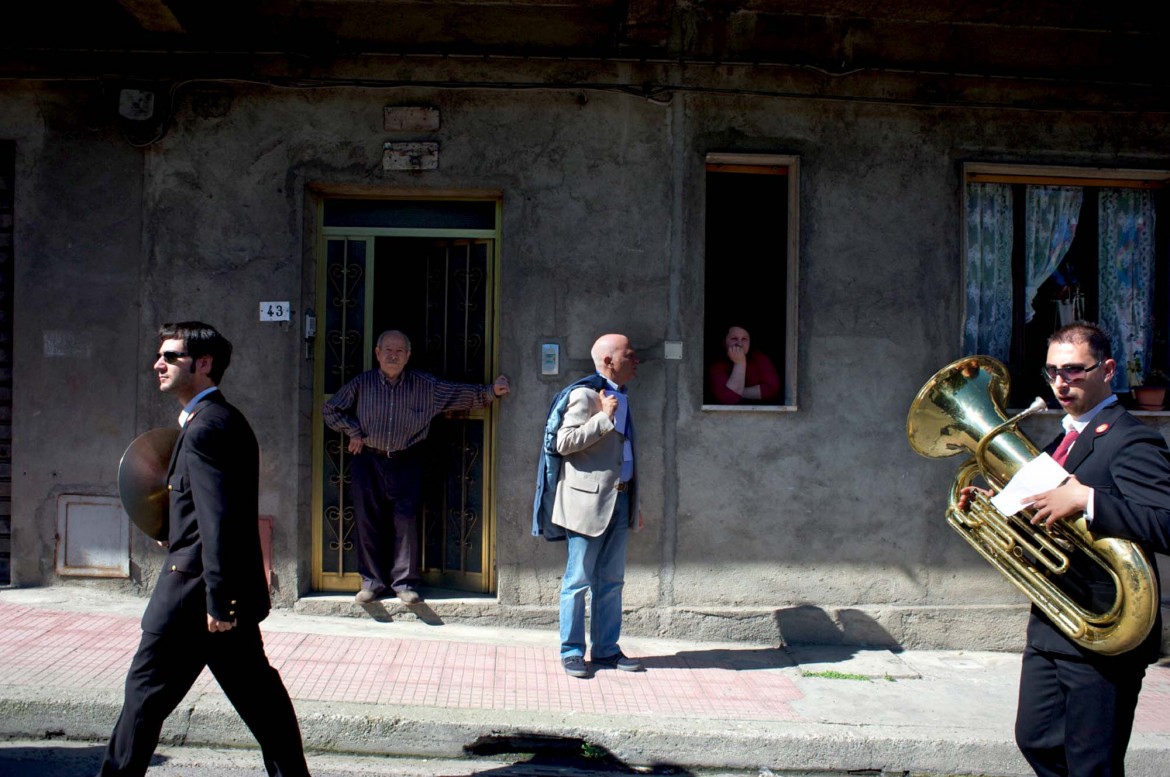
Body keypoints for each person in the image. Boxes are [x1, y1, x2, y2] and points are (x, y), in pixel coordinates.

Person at [958, 321, 1170, 777]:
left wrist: (1088, 499)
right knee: (1035, 740)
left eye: (1074, 371)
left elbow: (1166, 522)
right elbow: (1038, 517)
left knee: (1092, 764)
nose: (1060, 383)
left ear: (1108, 369)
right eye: (1053, 371)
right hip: (1055, 623)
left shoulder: (1132, 440)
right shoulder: (1060, 443)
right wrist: (990, 508)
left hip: (1107, 631)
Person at [99, 322, 310, 777]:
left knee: (143, 698)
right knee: (262, 702)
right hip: (214, 595)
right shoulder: (217, 420)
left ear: (204, 364)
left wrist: (221, 601)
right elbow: (204, 508)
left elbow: (220, 523)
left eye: (171, 356)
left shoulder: (206, 428)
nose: (159, 363)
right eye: (160, 354)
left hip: (194, 597)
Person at [322, 329, 509, 605]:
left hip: (406, 460)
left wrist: (491, 392)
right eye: (387, 350)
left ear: (408, 356)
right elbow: (331, 410)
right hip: (368, 460)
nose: (393, 355)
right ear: (377, 353)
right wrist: (353, 431)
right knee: (366, 521)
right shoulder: (361, 384)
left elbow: (459, 393)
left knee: (405, 522)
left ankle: (405, 584)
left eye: (399, 351)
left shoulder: (425, 386)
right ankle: (371, 582)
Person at [533, 333, 644, 679]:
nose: (636, 359)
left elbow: (623, 454)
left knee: (612, 581)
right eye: (630, 354)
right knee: (578, 580)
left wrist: (633, 498)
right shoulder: (584, 395)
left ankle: (607, 650)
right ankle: (571, 652)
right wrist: (602, 418)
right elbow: (564, 443)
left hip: (619, 499)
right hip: (585, 504)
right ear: (609, 360)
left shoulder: (622, 396)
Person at [706, 325, 780, 404]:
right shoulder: (717, 365)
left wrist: (738, 391)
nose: (740, 344)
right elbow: (728, 399)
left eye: (744, 339)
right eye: (734, 338)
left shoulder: (759, 358)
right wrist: (740, 362)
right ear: (724, 342)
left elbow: (771, 390)